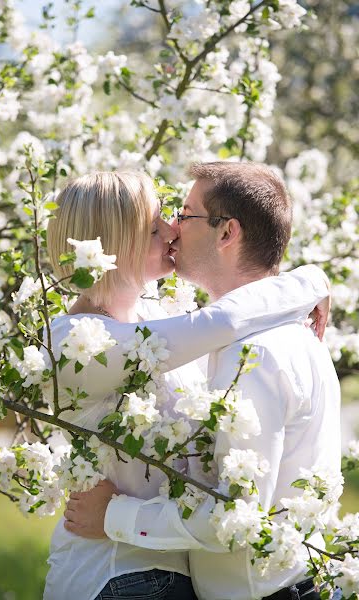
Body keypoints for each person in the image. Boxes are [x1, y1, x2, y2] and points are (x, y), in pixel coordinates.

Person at [44, 169, 330, 600]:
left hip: (172, 570)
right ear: (114, 243)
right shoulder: (74, 342)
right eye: (155, 225)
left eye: (178, 218)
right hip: (115, 571)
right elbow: (224, 319)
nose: (173, 230)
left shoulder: (160, 319)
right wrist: (308, 282)